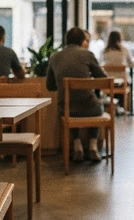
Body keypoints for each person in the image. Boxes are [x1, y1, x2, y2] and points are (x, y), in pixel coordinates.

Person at [46, 27, 107, 162]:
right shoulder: (88, 54)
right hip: (90, 109)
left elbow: (49, 86)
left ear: (66, 41)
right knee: (96, 105)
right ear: (83, 41)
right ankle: (92, 145)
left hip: (66, 109)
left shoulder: (54, 57)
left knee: (70, 103)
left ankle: (77, 145)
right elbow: (103, 79)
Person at [103, 30, 134, 113]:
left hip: (108, 83)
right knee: (127, 83)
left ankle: (112, 107)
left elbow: (101, 63)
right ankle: (126, 108)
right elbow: (131, 64)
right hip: (122, 82)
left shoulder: (104, 51)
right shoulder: (124, 50)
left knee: (112, 83)